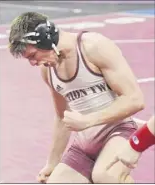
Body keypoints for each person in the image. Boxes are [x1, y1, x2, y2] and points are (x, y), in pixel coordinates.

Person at [9, 12, 145, 184]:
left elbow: (135, 99)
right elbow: (61, 116)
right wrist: (52, 163)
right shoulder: (48, 70)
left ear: (45, 38)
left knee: (105, 176)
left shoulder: (93, 46)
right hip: (84, 144)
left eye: (33, 55)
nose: (33, 63)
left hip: (118, 131)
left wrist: (89, 120)